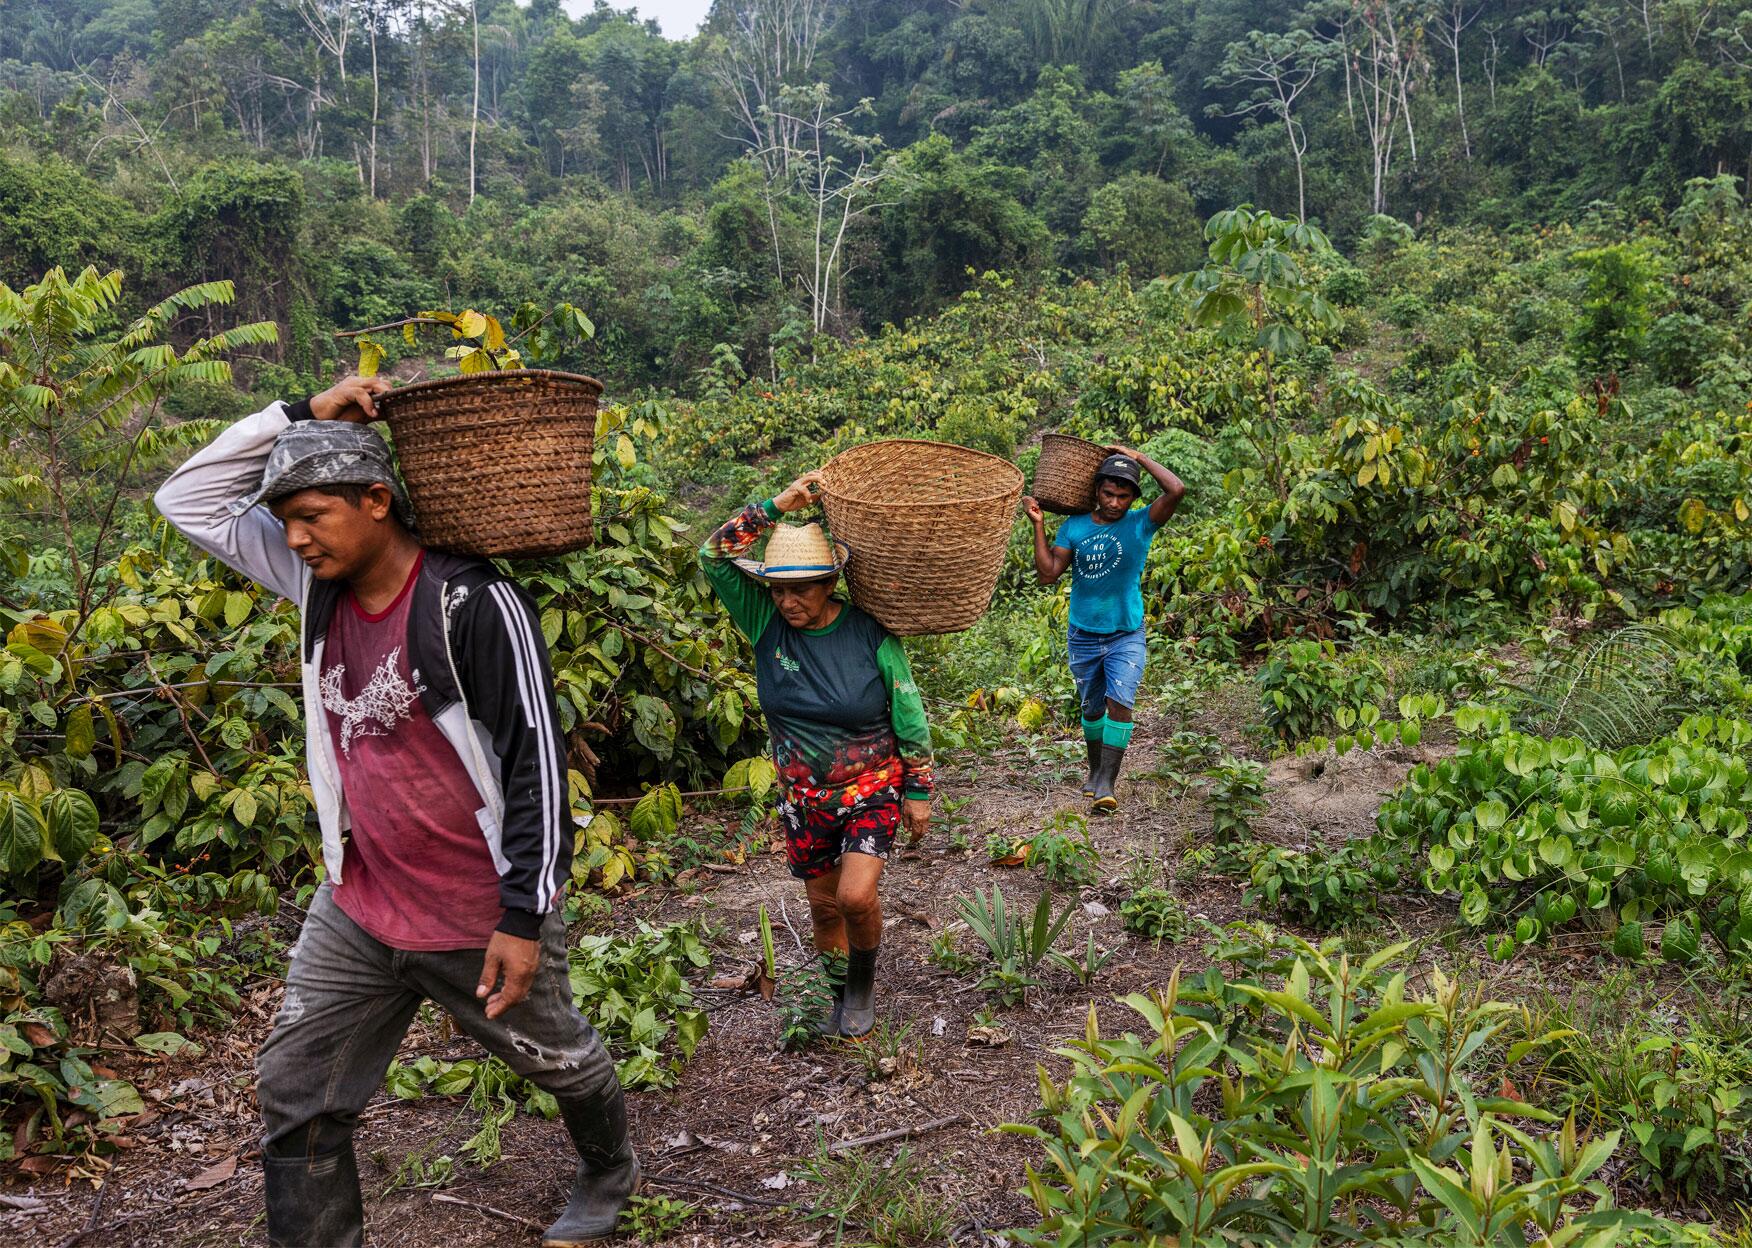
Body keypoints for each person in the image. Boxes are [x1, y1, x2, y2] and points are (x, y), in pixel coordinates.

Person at [154, 376, 636, 1248]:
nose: (293, 539)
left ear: (377, 500)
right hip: (362, 899)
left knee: (556, 1056)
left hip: (474, 908)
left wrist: (524, 916)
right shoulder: (317, 587)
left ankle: (608, 1163)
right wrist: (301, 415)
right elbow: (184, 497)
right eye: (285, 521)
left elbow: (537, 761)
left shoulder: (471, 603)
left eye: (310, 516)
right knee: (296, 1088)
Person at [699, 472, 934, 1038]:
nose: (787, 600)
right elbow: (712, 555)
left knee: (855, 896)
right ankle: (838, 996)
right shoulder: (765, 626)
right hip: (804, 799)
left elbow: (908, 713)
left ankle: (861, 988)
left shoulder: (869, 634)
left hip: (871, 787)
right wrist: (780, 506)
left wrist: (920, 789)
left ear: (830, 583)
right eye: (778, 588)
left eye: (800, 588)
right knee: (824, 909)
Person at [1023, 448, 1185, 813]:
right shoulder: (1075, 527)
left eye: (1123, 496)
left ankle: (1106, 785)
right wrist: (1037, 525)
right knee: (1093, 708)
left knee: (1121, 702)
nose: (1115, 503)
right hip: (1083, 633)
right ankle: (1096, 770)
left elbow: (1176, 490)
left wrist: (1140, 457)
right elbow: (1048, 573)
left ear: (1133, 498)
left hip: (1125, 633)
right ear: (1096, 491)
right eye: (1108, 494)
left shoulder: (1142, 522)